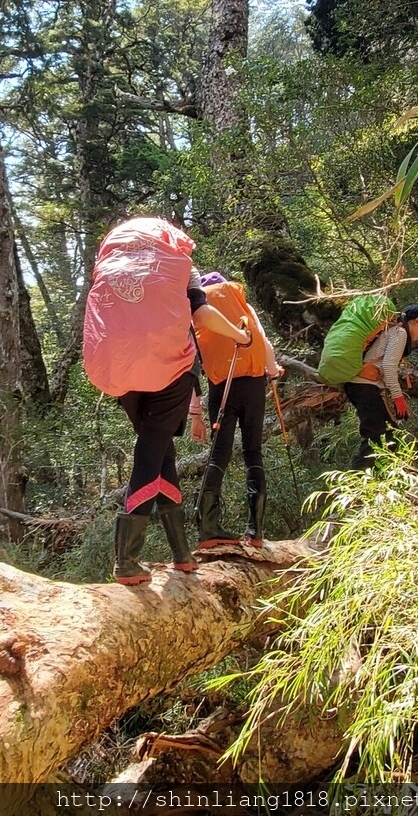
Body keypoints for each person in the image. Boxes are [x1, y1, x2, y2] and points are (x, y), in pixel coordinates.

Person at [102, 231, 252, 585]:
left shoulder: (118, 267)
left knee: (163, 454)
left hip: (125, 374)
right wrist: (240, 336)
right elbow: (201, 316)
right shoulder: (180, 266)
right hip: (170, 372)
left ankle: (182, 554)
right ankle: (126, 559)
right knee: (150, 455)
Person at [191, 272, 283, 549]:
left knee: (220, 452)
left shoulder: (197, 309)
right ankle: (255, 531)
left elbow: (191, 359)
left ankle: (207, 528)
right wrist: (273, 370)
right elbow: (262, 340)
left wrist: (194, 412)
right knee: (252, 452)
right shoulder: (242, 304)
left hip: (222, 385)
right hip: (253, 383)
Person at [343, 303, 418, 471]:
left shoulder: (391, 330)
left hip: (362, 386)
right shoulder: (400, 332)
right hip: (364, 386)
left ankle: (391, 478)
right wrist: (398, 398)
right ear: (417, 321)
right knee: (375, 437)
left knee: (392, 434)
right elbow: (388, 367)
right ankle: (355, 483)